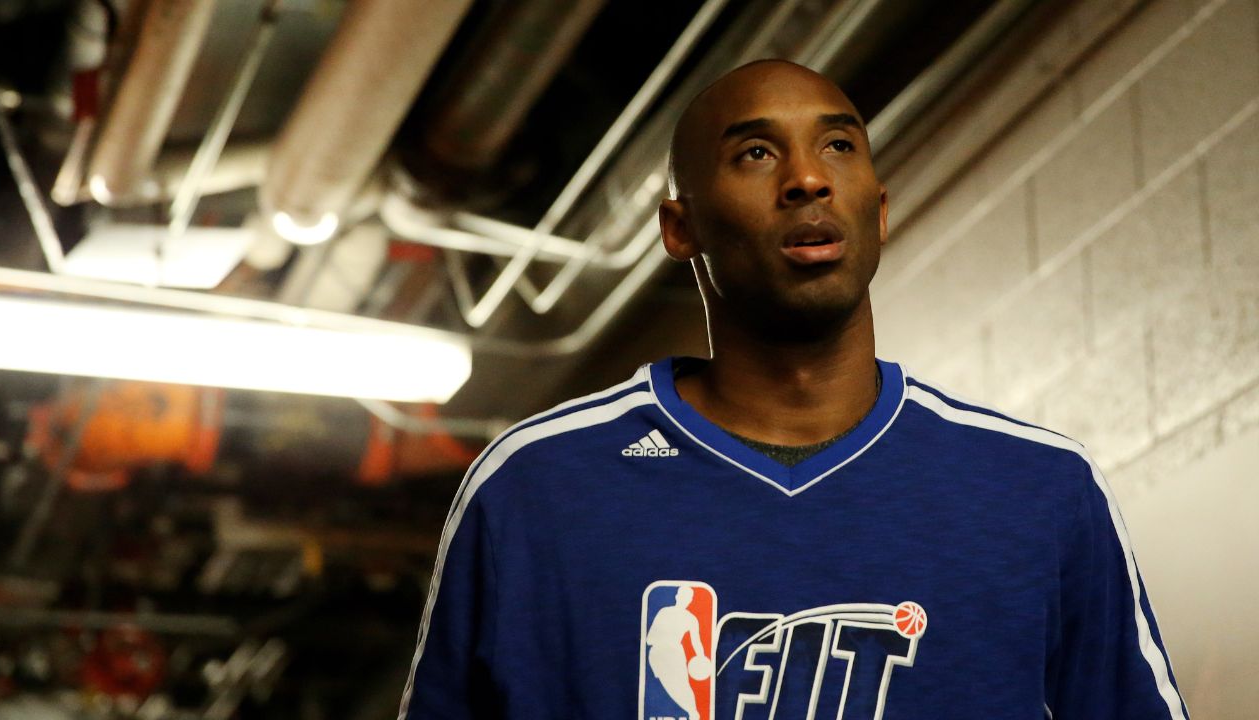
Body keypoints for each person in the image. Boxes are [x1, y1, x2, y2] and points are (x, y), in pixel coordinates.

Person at [398, 59, 1189, 719]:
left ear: (878, 212)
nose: (808, 178)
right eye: (754, 154)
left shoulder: (1041, 491)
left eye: (839, 146)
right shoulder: (537, 491)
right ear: (682, 228)